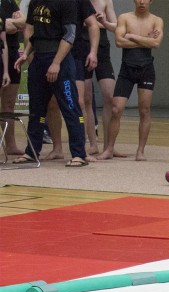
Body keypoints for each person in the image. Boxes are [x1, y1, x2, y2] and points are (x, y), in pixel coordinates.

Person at [13, 0, 91, 167]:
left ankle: (79, 154)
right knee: (36, 109)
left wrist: (56, 63)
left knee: (70, 106)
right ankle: (32, 151)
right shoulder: (35, 2)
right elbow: (35, 35)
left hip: (59, 59)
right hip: (39, 58)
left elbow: (69, 35)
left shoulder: (66, 3)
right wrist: (26, 54)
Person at [102, 0, 162, 161]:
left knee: (144, 110)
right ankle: (109, 149)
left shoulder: (156, 20)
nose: (142, 1)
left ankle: (140, 151)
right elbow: (119, 41)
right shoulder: (124, 18)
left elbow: (155, 43)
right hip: (127, 68)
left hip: (146, 68)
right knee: (116, 109)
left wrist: (132, 36)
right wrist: (144, 40)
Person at [70, 0, 99, 156]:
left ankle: (89, 144)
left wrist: (93, 52)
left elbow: (93, 24)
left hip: (78, 52)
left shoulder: (81, 2)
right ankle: (57, 148)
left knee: (83, 100)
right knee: (53, 104)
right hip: (53, 52)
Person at [88, 0, 118, 156]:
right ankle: (92, 143)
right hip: (83, 41)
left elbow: (117, 27)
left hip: (102, 46)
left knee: (110, 97)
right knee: (85, 99)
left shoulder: (106, 1)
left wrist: (103, 22)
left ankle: (108, 145)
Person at [0, 0, 21, 156]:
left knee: (9, 104)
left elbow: (21, 24)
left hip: (11, 55)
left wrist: (10, 22)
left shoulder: (8, 2)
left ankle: (11, 145)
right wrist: (10, 24)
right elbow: (6, 28)